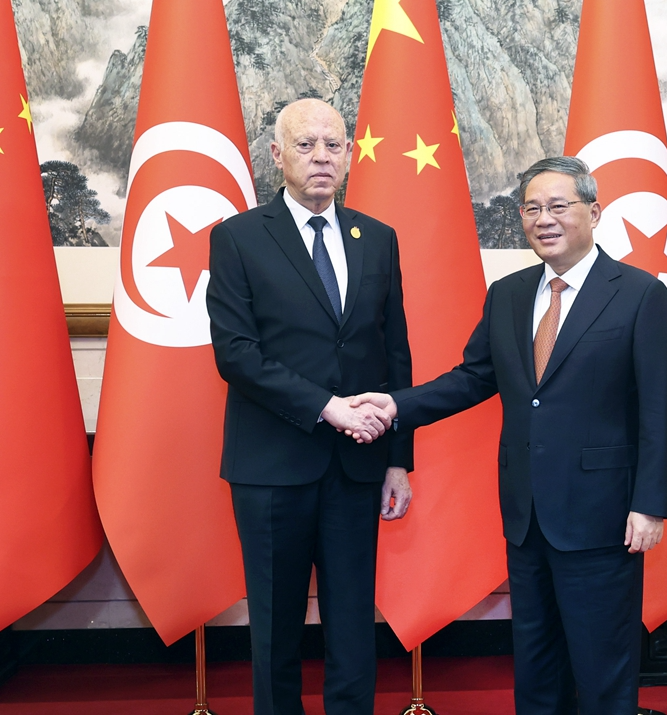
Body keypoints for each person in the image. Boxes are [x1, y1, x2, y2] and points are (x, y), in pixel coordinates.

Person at [351, 156, 667, 714]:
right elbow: (473, 378)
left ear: (593, 212)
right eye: (531, 208)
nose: (543, 219)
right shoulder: (508, 293)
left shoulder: (639, 294)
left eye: (558, 206)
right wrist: (396, 406)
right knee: (535, 664)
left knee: (602, 668)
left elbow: (661, 410)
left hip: (603, 517)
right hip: (527, 516)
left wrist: (650, 505)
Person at [206, 98, 413, 715]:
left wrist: (398, 460)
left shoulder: (378, 238)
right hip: (272, 466)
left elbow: (394, 355)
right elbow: (236, 354)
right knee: (275, 627)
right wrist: (327, 407)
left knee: (353, 624)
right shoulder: (238, 238)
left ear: (348, 154)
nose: (321, 157)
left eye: (333, 145)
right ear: (277, 155)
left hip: (358, 466)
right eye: (305, 144)